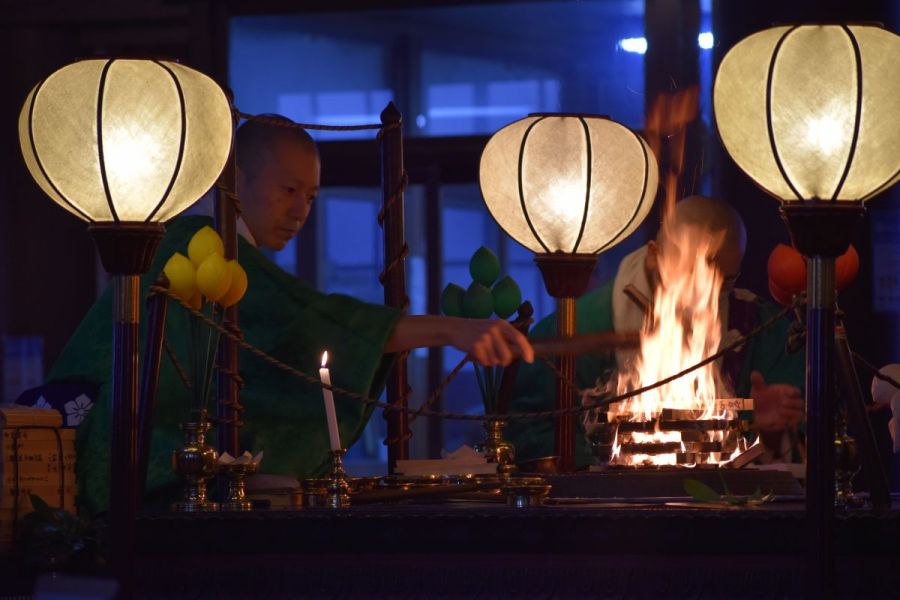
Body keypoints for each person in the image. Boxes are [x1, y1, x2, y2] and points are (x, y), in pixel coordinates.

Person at [47, 117, 533, 514]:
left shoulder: (223, 250)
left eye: (312, 196)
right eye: (289, 190)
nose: (301, 210)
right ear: (235, 182)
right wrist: (451, 328)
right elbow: (313, 324)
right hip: (113, 470)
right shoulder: (196, 244)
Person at [506, 196, 805, 468]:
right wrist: (617, 459)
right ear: (653, 255)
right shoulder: (578, 329)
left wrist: (765, 428)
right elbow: (533, 432)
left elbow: (800, 439)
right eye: (690, 276)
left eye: (723, 281)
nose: (704, 297)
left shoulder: (759, 326)